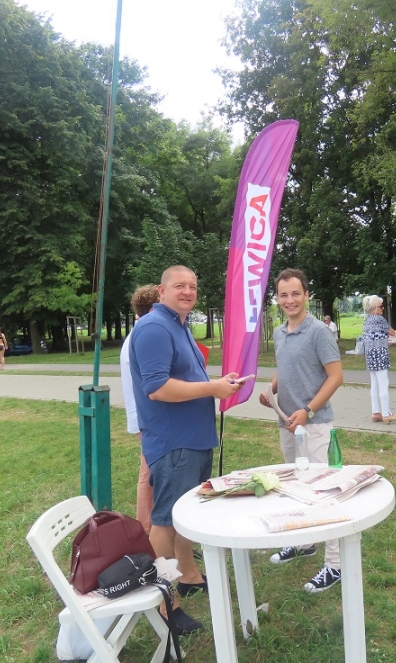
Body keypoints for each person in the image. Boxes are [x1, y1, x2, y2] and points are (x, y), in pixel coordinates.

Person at [129, 265, 244, 633]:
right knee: (164, 521)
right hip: (174, 443)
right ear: (161, 291)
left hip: (194, 440)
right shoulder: (154, 327)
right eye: (180, 285)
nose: (188, 291)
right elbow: (157, 388)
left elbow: (187, 378)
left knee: (185, 516)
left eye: (193, 286)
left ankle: (189, 576)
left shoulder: (178, 325)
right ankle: (164, 603)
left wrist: (218, 383)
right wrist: (212, 388)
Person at [259, 268, 345, 593]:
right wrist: (271, 391)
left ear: (307, 295)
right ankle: (303, 543)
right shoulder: (280, 332)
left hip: (315, 424)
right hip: (287, 423)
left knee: (321, 492)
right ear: (277, 299)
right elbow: (285, 369)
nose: (290, 300)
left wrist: (308, 411)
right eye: (283, 295)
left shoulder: (319, 332)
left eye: (296, 293)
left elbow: (336, 377)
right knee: (294, 488)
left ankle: (334, 564)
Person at [120, 284, 159, 535]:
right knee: (149, 475)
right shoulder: (143, 337)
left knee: (149, 472)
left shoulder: (139, 334)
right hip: (147, 418)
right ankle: (145, 531)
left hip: (143, 417)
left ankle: (150, 529)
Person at [361, 295, 396, 424]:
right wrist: (388, 339)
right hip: (380, 355)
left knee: (374, 384)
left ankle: (376, 412)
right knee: (383, 384)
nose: (383, 309)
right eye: (381, 306)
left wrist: (384, 340)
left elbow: (373, 337)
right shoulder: (379, 319)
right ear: (374, 308)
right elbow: (392, 332)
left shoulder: (367, 320)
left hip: (370, 355)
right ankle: (386, 413)